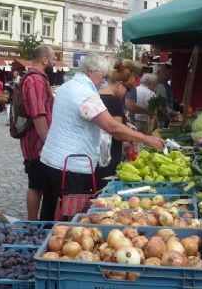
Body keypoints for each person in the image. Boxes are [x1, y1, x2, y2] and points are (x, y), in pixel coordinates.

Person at [39, 54, 164, 221]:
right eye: (102, 76)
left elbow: (89, 119)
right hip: (71, 165)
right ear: (91, 72)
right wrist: (145, 138)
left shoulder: (66, 87)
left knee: (49, 208)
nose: (104, 81)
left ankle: (42, 240)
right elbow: (111, 127)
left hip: (50, 159)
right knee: (71, 217)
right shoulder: (85, 94)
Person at [20, 45, 56, 221]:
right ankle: (33, 225)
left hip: (38, 143)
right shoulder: (35, 80)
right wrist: (49, 143)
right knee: (36, 185)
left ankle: (34, 224)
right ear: (45, 60)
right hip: (37, 144)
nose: (55, 62)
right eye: (54, 58)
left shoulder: (39, 79)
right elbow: (38, 115)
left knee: (38, 185)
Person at [95, 62, 131, 189]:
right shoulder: (113, 101)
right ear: (119, 84)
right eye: (126, 89)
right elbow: (117, 133)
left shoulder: (97, 95)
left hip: (96, 154)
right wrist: (134, 136)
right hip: (108, 157)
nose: (125, 93)